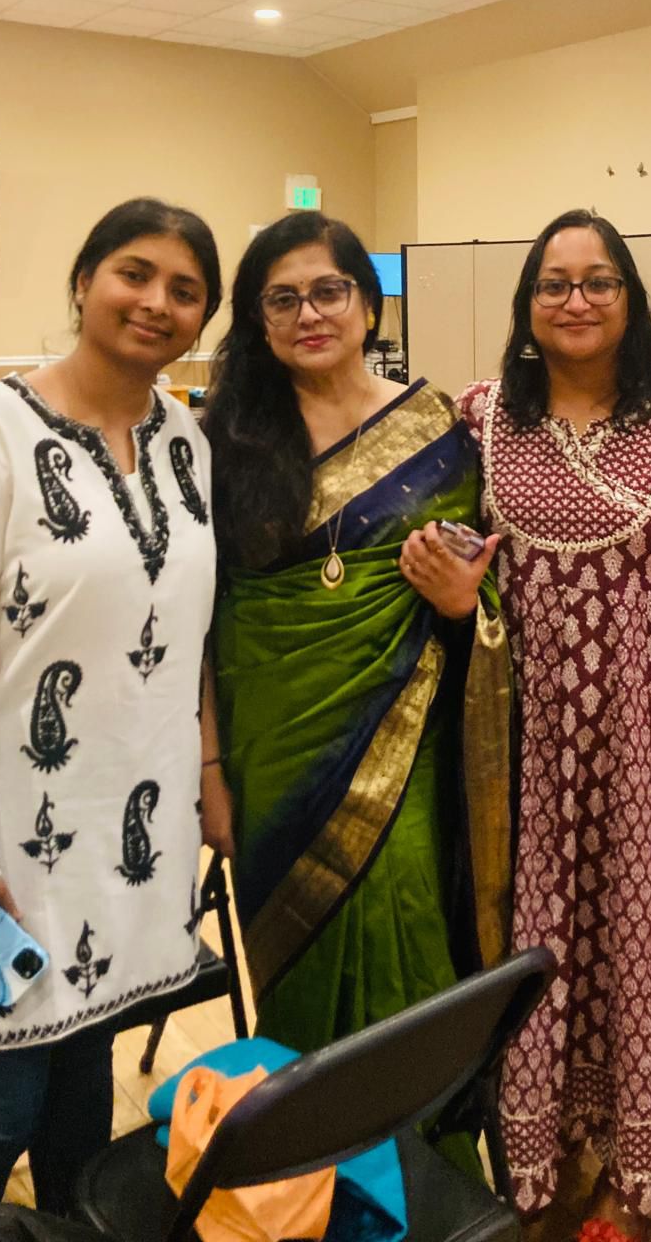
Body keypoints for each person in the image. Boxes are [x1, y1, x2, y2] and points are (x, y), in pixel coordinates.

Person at [0, 198, 222, 1222]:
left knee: (83, 1104)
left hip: (130, 845)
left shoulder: (186, 441)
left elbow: (192, 636)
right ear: (84, 281)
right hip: (7, 845)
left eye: (185, 290)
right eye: (135, 273)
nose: (157, 302)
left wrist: (208, 781)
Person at [456, 209, 651, 1232]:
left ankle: (634, 1173)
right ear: (529, 303)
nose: (575, 300)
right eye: (554, 283)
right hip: (521, 731)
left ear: (630, 298)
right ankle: (540, 1154)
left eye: (598, 281)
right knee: (533, 934)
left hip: (647, 728)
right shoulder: (481, 417)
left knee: (640, 937)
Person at [199, 212, 512, 1124]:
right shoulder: (224, 442)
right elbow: (195, 621)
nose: (309, 314)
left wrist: (463, 602)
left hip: (410, 735)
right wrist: (209, 771)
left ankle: (419, 1162)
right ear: (258, 321)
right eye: (282, 299)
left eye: (328, 291)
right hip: (272, 746)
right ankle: (308, 1165)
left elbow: (490, 584)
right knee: (296, 956)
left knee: (407, 913)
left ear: (368, 306)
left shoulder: (436, 425)